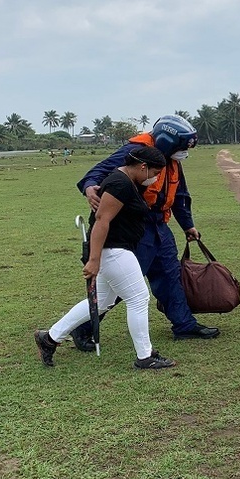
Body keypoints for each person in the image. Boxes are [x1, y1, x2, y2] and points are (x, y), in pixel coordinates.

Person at [70, 115, 220, 346]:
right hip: (137, 229)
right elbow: (99, 171)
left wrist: (187, 225)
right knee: (124, 284)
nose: (184, 153)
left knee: (171, 275)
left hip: (160, 226)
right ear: (168, 142)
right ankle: (83, 328)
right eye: (181, 148)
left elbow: (179, 195)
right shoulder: (136, 152)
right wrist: (90, 187)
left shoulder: (170, 161)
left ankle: (184, 325)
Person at [35, 147, 176, 370]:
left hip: (115, 249)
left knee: (101, 302)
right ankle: (145, 356)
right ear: (142, 167)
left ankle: (50, 337)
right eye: (155, 172)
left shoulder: (126, 181)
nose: (155, 178)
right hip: (113, 250)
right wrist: (94, 259)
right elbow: (102, 220)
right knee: (139, 299)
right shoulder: (120, 183)